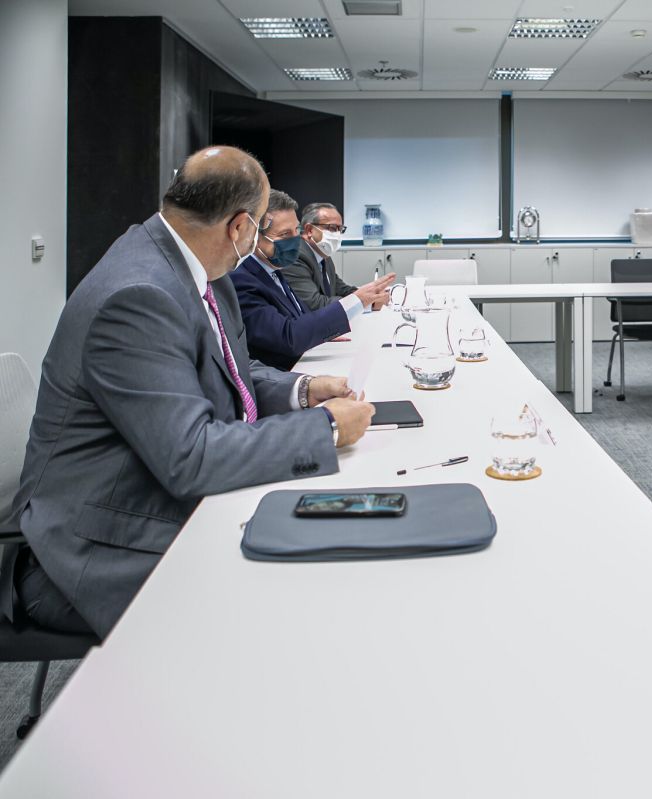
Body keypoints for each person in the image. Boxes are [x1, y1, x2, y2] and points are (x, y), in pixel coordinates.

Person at [2, 146, 376, 638]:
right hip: (92, 547)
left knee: (318, 547)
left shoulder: (196, 267)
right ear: (239, 227)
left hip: (154, 492)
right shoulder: (138, 295)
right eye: (260, 229)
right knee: (299, 597)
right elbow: (191, 457)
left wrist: (303, 390)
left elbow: (233, 370)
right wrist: (324, 429)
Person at [230, 191, 393, 371]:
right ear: (254, 236)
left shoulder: (273, 269)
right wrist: (358, 301)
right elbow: (288, 337)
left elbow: (301, 315)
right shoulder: (243, 280)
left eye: (296, 230)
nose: (295, 240)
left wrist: (323, 331)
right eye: (285, 234)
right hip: (281, 375)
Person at [284, 203, 385, 312]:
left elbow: (340, 289)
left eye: (340, 229)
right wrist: (363, 303)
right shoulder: (295, 257)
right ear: (309, 230)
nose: (337, 235)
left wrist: (371, 295)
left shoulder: (323, 254)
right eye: (332, 228)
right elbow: (314, 304)